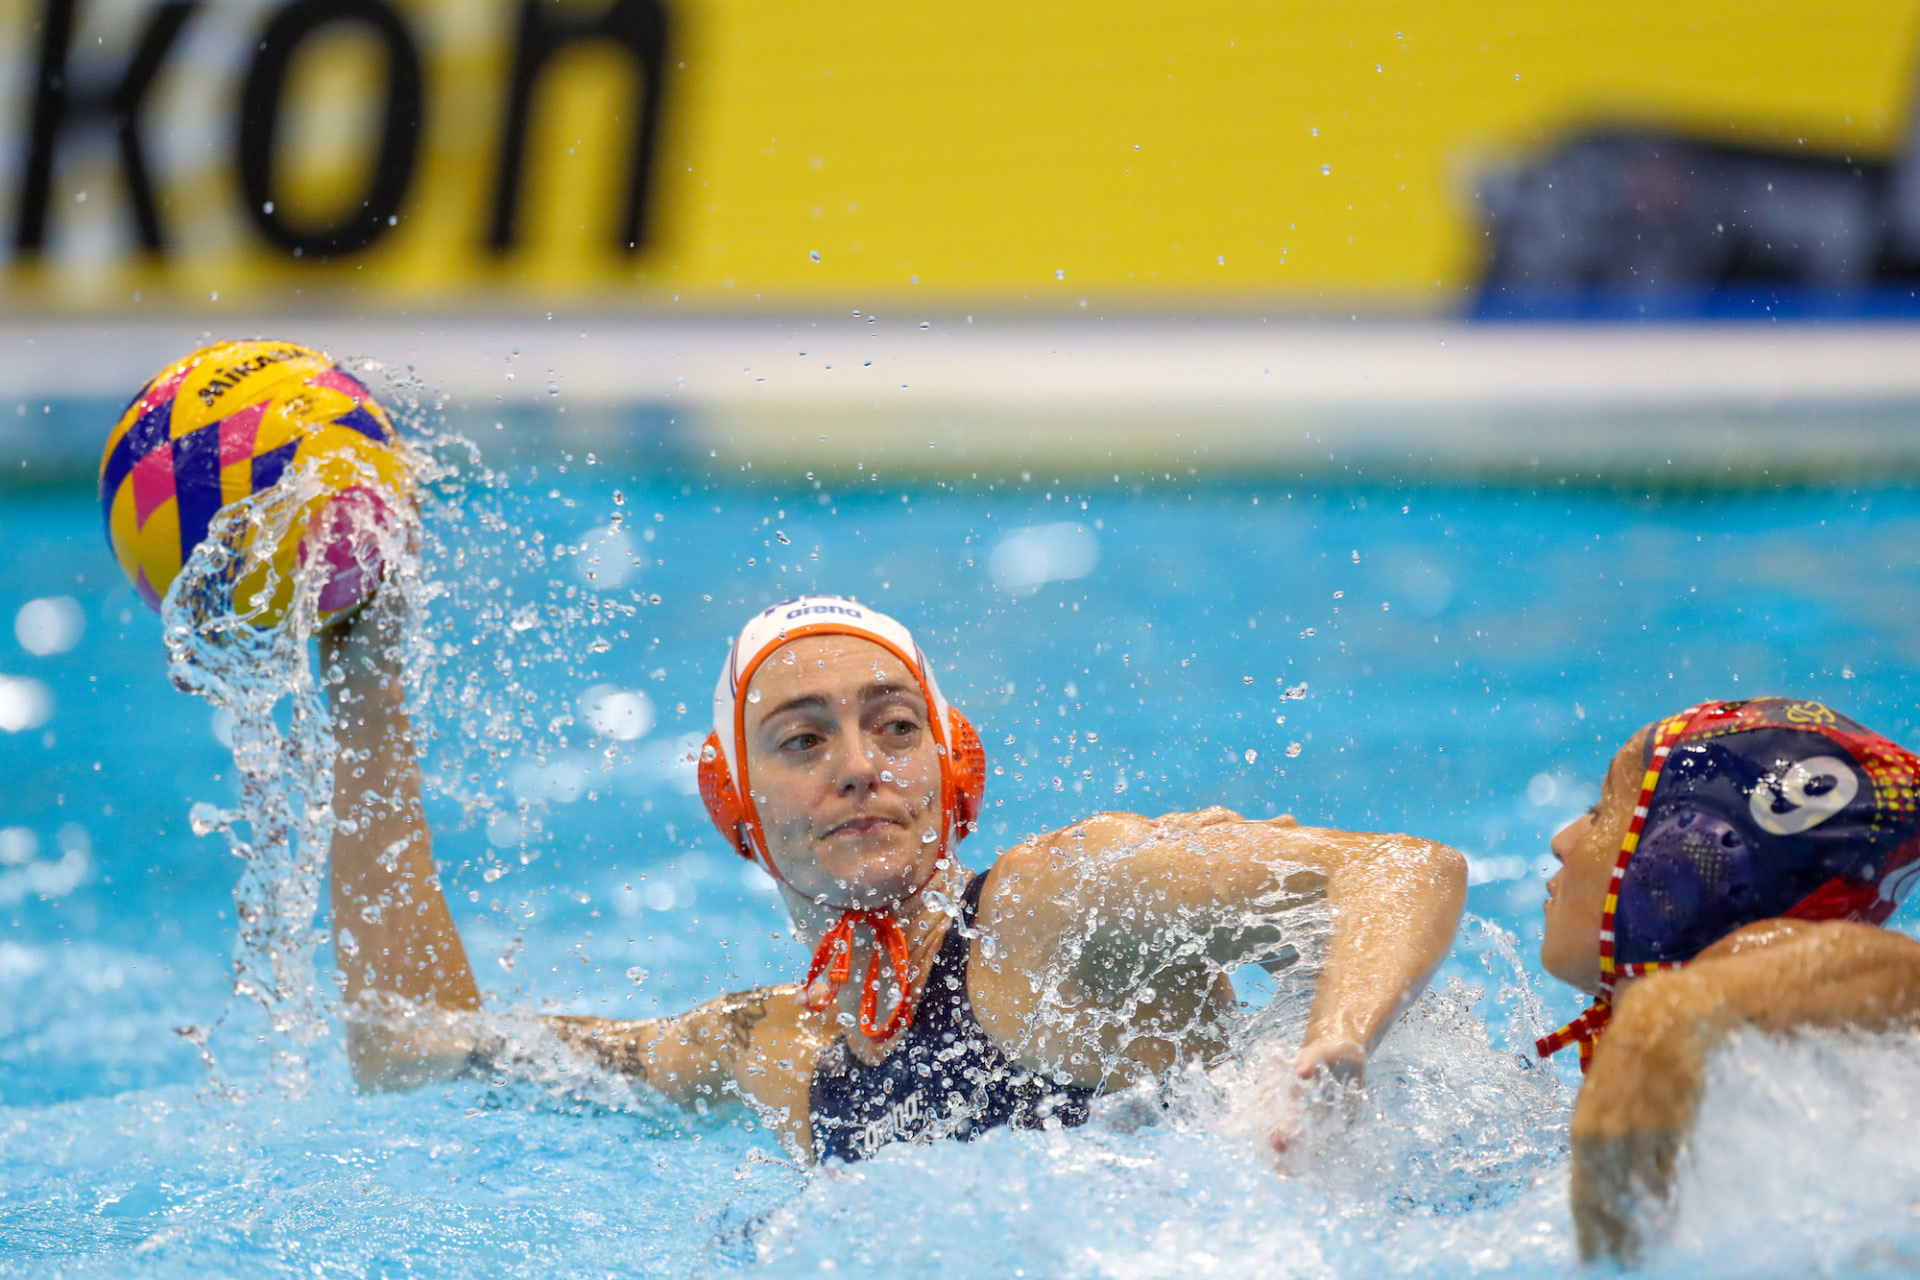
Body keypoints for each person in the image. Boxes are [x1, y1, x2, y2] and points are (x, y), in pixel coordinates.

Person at [323, 591, 1467, 1163]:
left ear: (952, 767)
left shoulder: (1047, 908)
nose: (862, 769)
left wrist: (1334, 1048)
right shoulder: (774, 1048)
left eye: (894, 726)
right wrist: (363, 685)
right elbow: (407, 1044)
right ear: (738, 807)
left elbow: (1400, 869)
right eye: (805, 739)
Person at [1536, 697, 1920, 1261]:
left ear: (1690, 857)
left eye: (1599, 812)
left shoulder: (1736, 991)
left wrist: (1670, 1012)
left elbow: (1896, 971)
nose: (1562, 839)